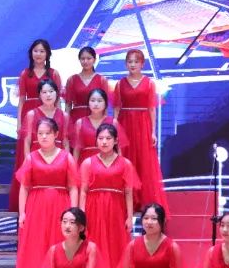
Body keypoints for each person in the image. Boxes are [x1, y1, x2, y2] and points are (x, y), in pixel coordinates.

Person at [4, 117, 79, 268]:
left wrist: (74, 213)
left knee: (59, 248)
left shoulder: (66, 157)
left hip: (60, 206)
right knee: (35, 248)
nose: (44, 137)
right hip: (36, 207)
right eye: (40, 134)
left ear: (56, 135)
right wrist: (22, 213)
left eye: (48, 133)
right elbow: (24, 188)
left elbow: (73, 187)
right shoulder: (31, 158)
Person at [79, 123, 137, 268]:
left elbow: (128, 192)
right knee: (95, 251)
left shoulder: (125, 164)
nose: (104, 142)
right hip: (93, 210)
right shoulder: (88, 163)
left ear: (116, 141)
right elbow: (83, 191)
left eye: (108, 138)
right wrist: (81, 217)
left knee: (116, 250)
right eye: (101, 138)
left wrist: (129, 216)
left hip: (116, 211)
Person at [113, 49, 168, 209]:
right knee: (127, 158)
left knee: (144, 161)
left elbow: (152, 109)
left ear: (142, 64)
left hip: (143, 125)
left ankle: (144, 201)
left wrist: (152, 131)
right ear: (126, 64)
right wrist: (115, 129)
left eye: (136, 61)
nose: (133, 64)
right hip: (125, 124)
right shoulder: (120, 84)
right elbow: (116, 108)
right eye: (130, 61)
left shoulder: (149, 83)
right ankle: (127, 201)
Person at [11, 39, 62, 211]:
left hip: (49, 114)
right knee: (29, 152)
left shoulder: (53, 73)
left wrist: (58, 120)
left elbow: (58, 100)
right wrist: (19, 123)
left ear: (47, 54)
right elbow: (21, 100)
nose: (38, 54)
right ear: (31, 53)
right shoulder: (26, 74)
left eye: (42, 51)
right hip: (30, 114)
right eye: (35, 51)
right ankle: (26, 200)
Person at [62, 47, 110, 148]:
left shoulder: (102, 80)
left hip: (96, 118)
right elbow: (68, 105)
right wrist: (66, 125)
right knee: (76, 148)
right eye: (83, 59)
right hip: (76, 119)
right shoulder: (72, 79)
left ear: (94, 60)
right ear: (79, 60)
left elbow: (105, 105)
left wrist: (104, 123)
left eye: (89, 58)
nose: (85, 61)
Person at [72, 89, 128, 165]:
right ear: (88, 103)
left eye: (99, 101)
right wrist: (74, 168)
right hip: (86, 163)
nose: (96, 104)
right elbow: (76, 149)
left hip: (108, 163)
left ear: (105, 103)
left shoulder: (113, 122)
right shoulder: (80, 122)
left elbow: (119, 148)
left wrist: (120, 165)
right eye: (92, 100)